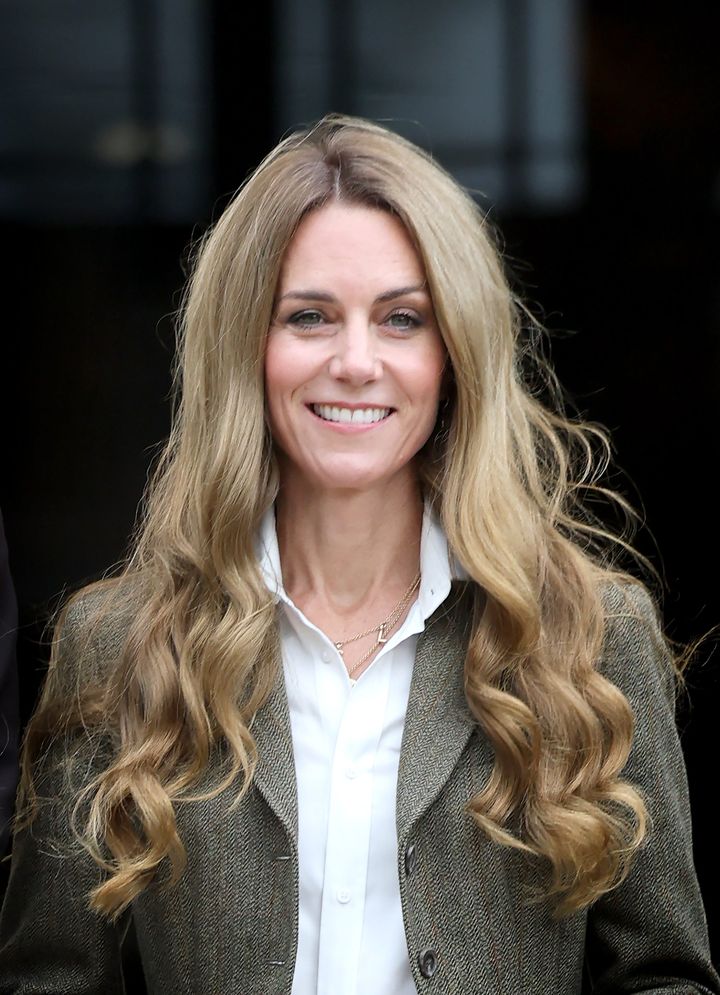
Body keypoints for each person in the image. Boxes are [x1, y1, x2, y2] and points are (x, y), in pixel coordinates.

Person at [0, 114, 717, 995]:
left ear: (453, 353)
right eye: (308, 316)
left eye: (402, 318)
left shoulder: (589, 633)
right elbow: (51, 980)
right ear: (246, 346)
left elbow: (664, 978)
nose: (355, 360)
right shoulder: (116, 643)